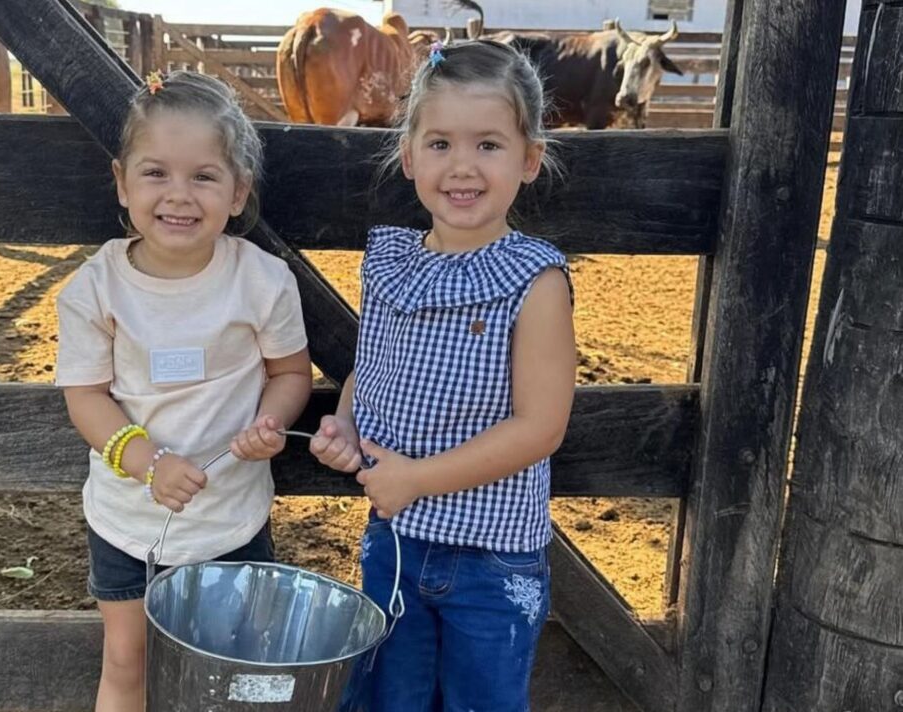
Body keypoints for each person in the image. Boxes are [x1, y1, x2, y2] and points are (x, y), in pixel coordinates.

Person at [310, 40, 576, 712]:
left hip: (490, 560)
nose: (462, 167)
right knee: (389, 698)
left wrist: (416, 479)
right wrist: (344, 421)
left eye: (488, 145)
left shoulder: (533, 281)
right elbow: (368, 372)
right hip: (394, 542)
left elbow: (541, 428)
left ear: (530, 159)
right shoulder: (391, 263)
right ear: (408, 156)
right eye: (439, 145)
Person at [55, 70, 312, 712]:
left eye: (204, 176)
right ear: (121, 181)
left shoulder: (263, 281)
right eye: (156, 173)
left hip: (231, 520)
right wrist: (150, 463)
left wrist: (270, 423)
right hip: (126, 521)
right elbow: (85, 397)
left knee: (235, 664)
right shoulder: (95, 289)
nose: (179, 195)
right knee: (127, 660)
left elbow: (291, 373)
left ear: (237, 192)